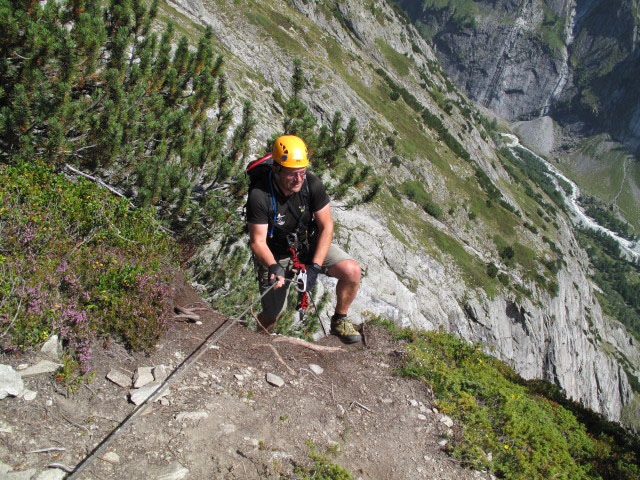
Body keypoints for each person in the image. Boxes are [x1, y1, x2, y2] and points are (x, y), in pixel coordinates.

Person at [246, 134, 362, 343]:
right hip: (275, 255)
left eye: (302, 172)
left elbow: (326, 225)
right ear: (276, 168)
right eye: (292, 174)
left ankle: (339, 320)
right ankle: (259, 342)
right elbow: (258, 241)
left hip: (306, 246)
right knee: (273, 313)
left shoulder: (311, 184)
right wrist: (273, 266)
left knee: (352, 271)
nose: (299, 179)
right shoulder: (259, 195)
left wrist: (315, 267)